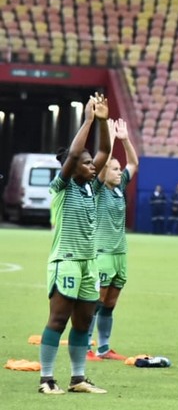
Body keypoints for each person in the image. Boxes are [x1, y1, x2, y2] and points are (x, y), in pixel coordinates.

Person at [38, 93, 110, 394]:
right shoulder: (62, 186)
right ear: (73, 166)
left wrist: (104, 122)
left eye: (91, 163)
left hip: (88, 263)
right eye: (86, 163)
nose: (92, 166)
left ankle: (78, 378)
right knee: (58, 319)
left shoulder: (92, 187)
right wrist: (89, 120)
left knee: (83, 323)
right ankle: (46, 379)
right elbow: (74, 154)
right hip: (65, 261)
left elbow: (105, 149)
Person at [86, 119, 139, 362]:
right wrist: (110, 138)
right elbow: (104, 159)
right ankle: (86, 346)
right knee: (97, 301)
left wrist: (125, 138)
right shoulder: (97, 190)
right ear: (104, 172)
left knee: (110, 303)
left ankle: (104, 348)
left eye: (119, 170)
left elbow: (134, 163)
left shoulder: (119, 188)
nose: (119, 172)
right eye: (114, 169)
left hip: (120, 254)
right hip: (103, 253)